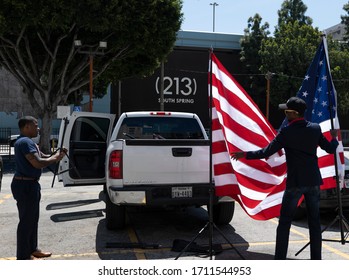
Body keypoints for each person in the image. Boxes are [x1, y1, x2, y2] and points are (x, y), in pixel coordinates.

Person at [230, 97, 339, 260]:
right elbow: (330, 149)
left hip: (295, 183)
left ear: (294, 113)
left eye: (287, 111)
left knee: (284, 223)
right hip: (313, 182)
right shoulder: (315, 129)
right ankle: (316, 260)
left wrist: (244, 155)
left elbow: (265, 152)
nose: (285, 114)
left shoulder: (287, 132)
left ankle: (280, 259)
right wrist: (334, 138)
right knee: (314, 223)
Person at [11, 116, 66, 260]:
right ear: (26, 127)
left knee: (32, 219)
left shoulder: (29, 142)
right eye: (35, 125)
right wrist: (55, 159)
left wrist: (57, 155)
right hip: (25, 185)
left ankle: (33, 249)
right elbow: (38, 162)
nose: (39, 128)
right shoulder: (25, 142)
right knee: (26, 221)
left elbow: (44, 156)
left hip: (30, 184)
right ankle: (23, 256)